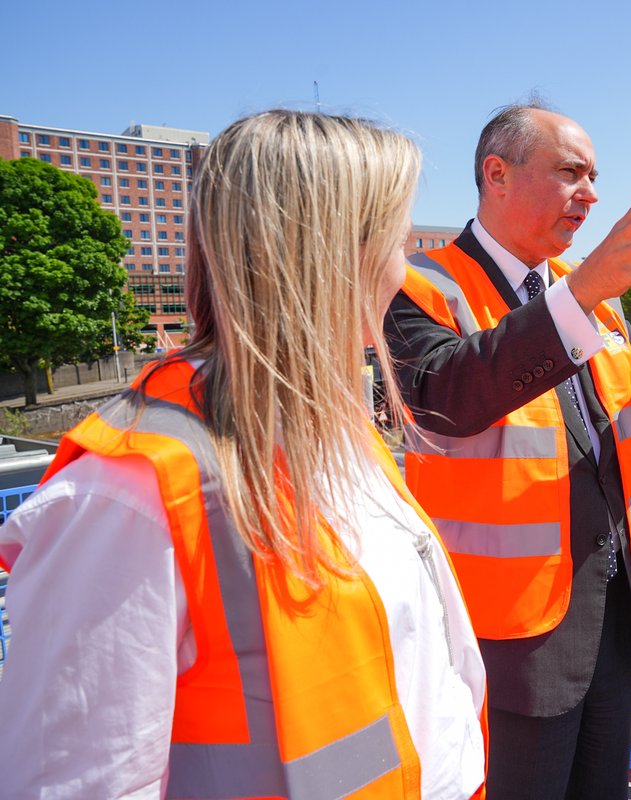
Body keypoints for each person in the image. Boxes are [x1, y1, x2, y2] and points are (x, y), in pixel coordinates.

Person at [0, 110, 487, 799]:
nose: (405, 276)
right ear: (324, 256)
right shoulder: (130, 499)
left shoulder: (336, 436)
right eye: (395, 243)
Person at [383, 99, 631, 799]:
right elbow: (448, 396)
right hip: (505, 636)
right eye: (570, 173)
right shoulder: (422, 285)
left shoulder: (588, 295)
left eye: (594, 176)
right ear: (497, 173)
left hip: (612, 618)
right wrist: (579, 294)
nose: (590, 194)